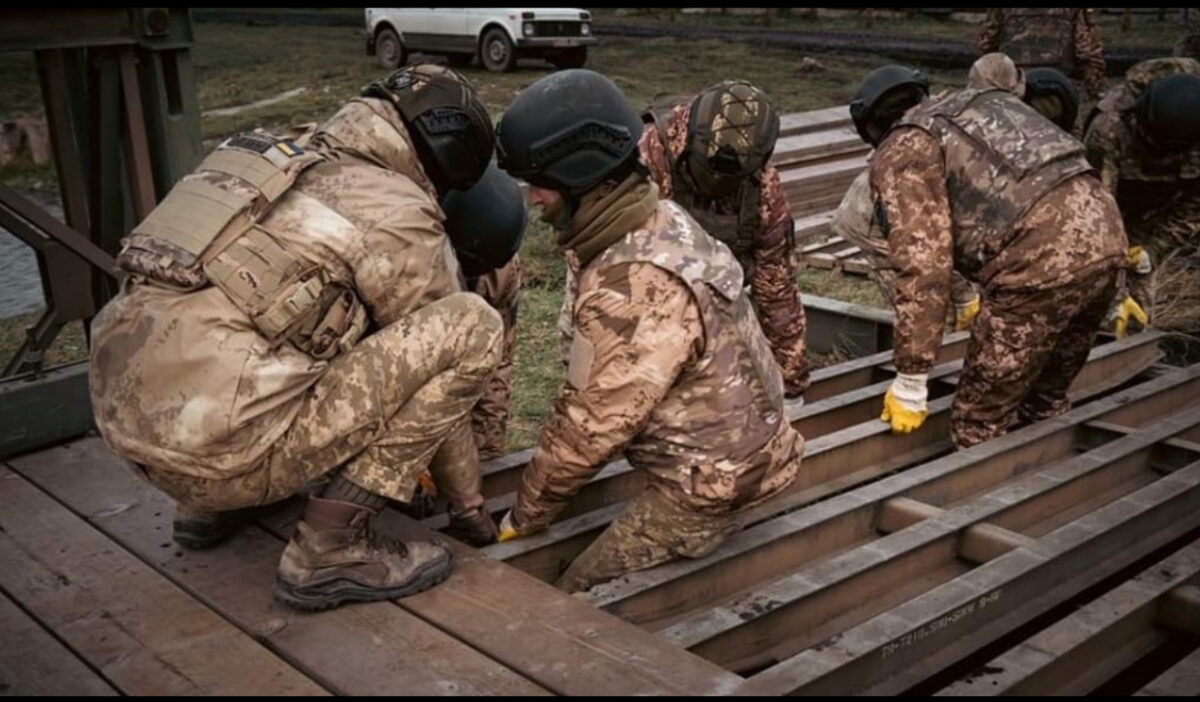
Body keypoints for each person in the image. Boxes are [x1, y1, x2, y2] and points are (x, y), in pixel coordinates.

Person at [89, 64, 503, 610]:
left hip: (123, 427)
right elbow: (434, 355)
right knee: (472, 324)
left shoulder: (261, 155)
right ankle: (330, 547)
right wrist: (469, 503)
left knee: (289, 313)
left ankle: (210, 510)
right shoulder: (395, 209)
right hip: (228, 456)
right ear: (448, 153)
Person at [492, 69, 805, 593]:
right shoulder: (663, 220)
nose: (533, 199)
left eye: (540, 184)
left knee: (570, 600)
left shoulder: (630, 283)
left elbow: (589, 430)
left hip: (714, 483)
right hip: (754, 447)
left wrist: (524, 517)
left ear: (579, 177)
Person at [852, 64, 1127, 449]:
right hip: (1110, 238)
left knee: (979, 421)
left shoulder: (905, 145)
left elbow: (923, 263)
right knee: (1045, 399)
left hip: (1036, 267)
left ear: (871, 125)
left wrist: (912, 377)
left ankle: (990, 495)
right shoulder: (982, 103)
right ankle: (1050, 485)